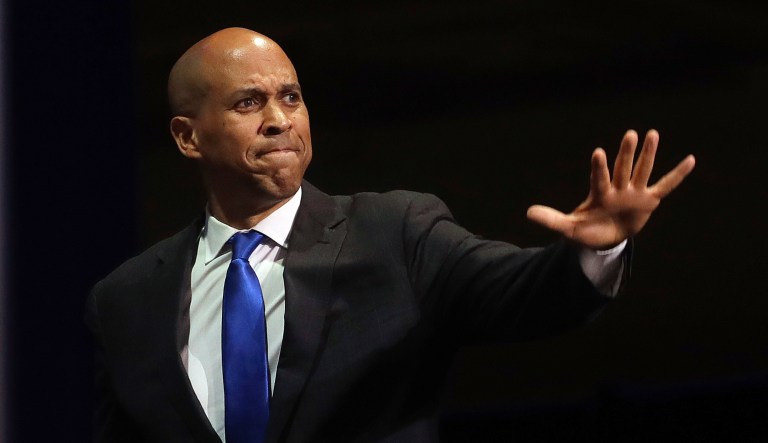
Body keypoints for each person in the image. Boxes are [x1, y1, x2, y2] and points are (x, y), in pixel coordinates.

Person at [86, 27, 695, 443]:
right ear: (188, 136)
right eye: (248, 103)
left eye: (291, 98)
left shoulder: (392, 232)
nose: (279, 120)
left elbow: (519, 292)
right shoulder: (127, 298)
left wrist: (595, 248)